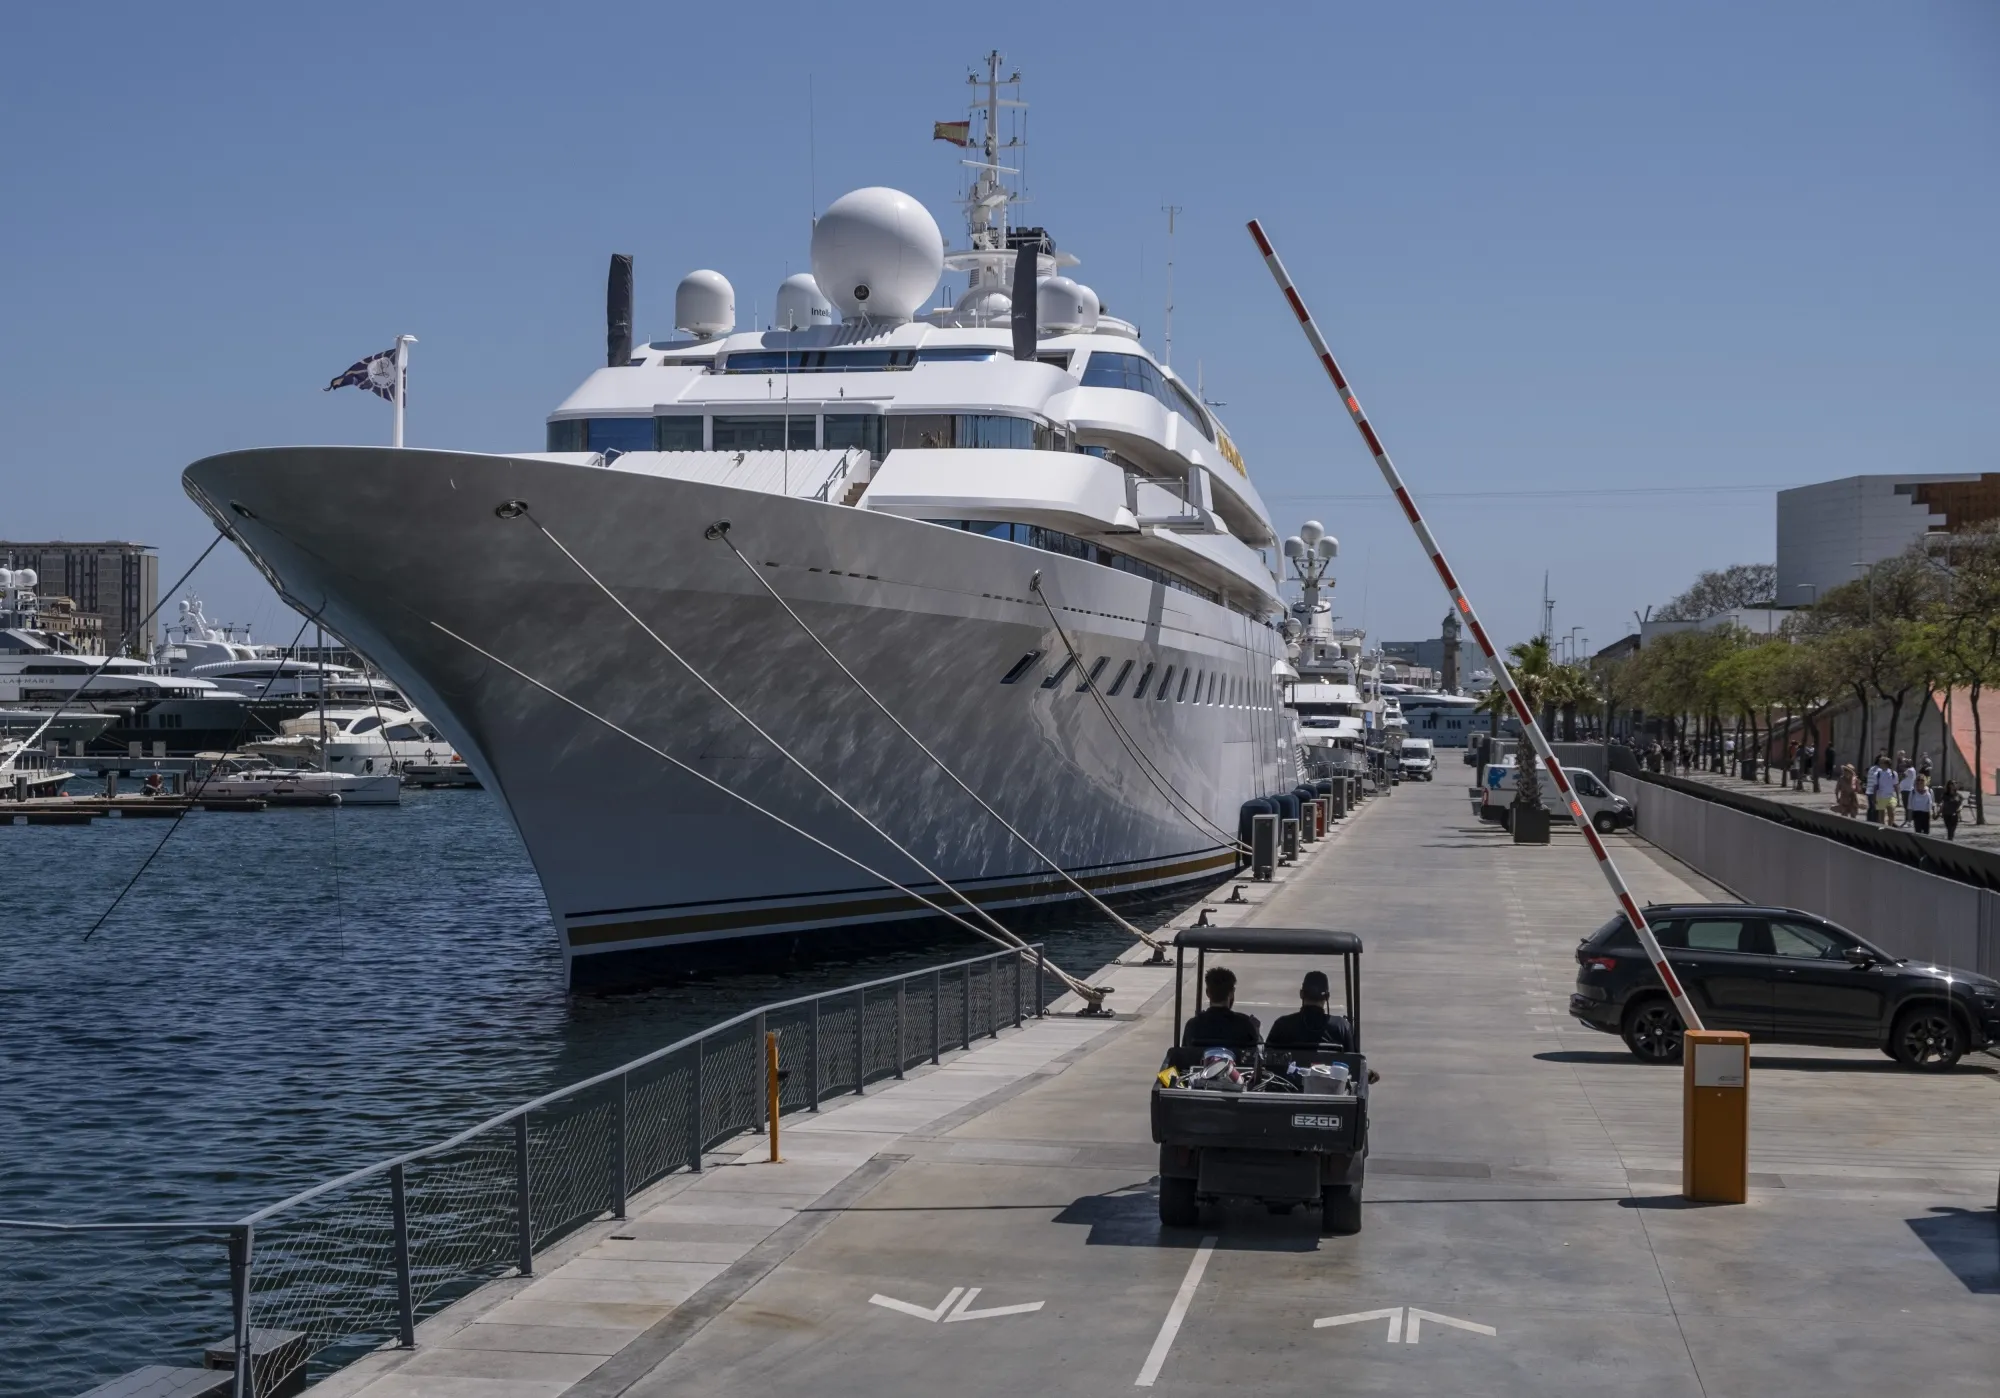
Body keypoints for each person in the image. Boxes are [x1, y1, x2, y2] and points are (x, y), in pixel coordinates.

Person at [1181, 966, 1261, 1053]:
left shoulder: (1193, 1025)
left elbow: (1183, 1055)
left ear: (1207, 992)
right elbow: (1257, 1054)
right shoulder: (1245, 1023)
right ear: (1231, 993)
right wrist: (1256, 1032)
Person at [1267, 971, 1349, 1052]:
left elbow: (1266, 1056)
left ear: (1301, 994)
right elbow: (1354, 1060)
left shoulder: (1282, 1025)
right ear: (1327, 997)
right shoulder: (1341, 1027)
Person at [1895, 760, 1917, 828]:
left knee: (1907, 806)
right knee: (1907, 806)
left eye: (1906, 762)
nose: (1904, 764)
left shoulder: (1909, 770)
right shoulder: (1912, 769)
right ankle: (1907, 820)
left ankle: (1908, 820)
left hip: (1906, 790)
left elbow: (1901, 777)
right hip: (1906, 789)